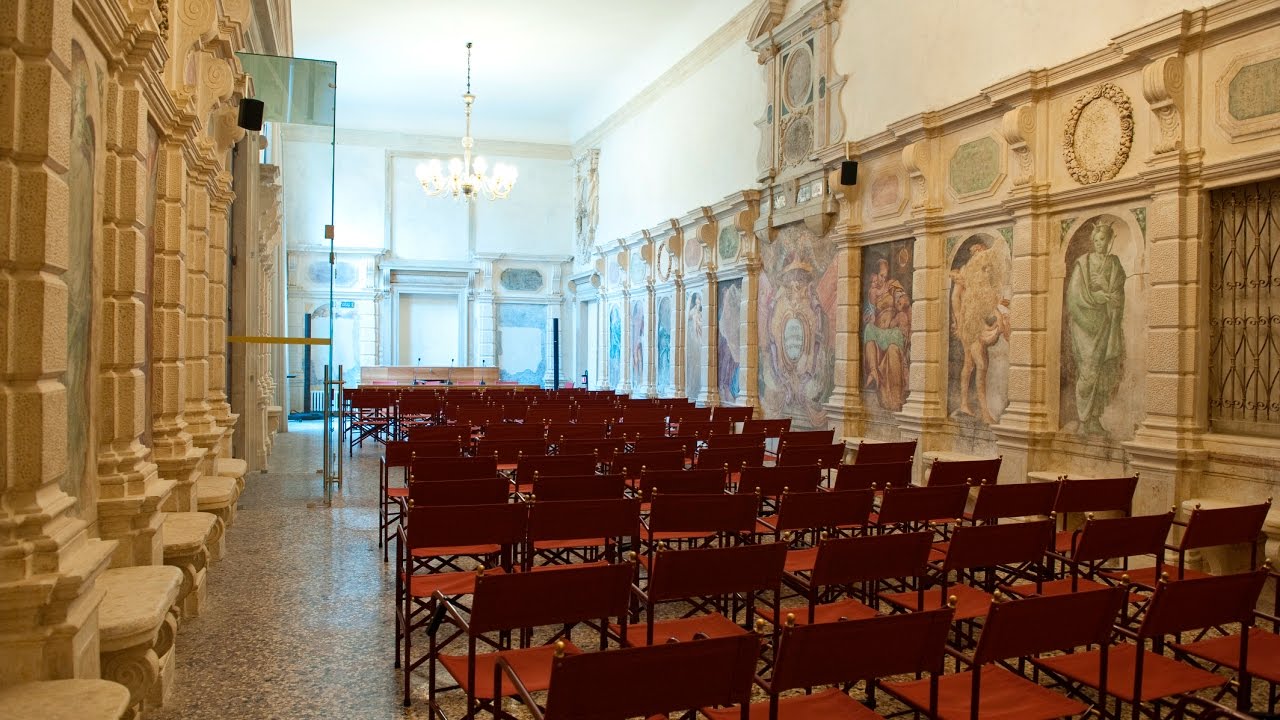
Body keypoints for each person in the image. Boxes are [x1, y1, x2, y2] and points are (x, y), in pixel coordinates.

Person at [1065, 220, 1126, 435]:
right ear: (1093, 241)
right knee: (1088, 370)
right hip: (1084, 323)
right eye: (1097, 240)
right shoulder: (1083, 263)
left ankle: (1094, 419)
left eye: (1104, 240)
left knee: (1100, 371)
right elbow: (1073, 296)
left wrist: (1109, 298)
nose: (1101, 243)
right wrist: (1095, 297)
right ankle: (1083, 420)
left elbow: (1118, 293)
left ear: (1109, 241)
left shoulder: (1114, 263)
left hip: (1105, 322)